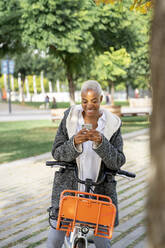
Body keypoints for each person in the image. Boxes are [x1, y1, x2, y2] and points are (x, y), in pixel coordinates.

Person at [47, 80, 126, 248]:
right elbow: (57, 152)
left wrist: (101, 144)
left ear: (101, 98)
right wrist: (74, 142)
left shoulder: (112, 124)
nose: (89, 106)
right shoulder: (70, 119)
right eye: (84, 101)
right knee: (53, 241)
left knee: (103, 243)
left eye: (94, 100)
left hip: (100, 191)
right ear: (80, 99)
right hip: (69, 190)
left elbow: (118, 162)